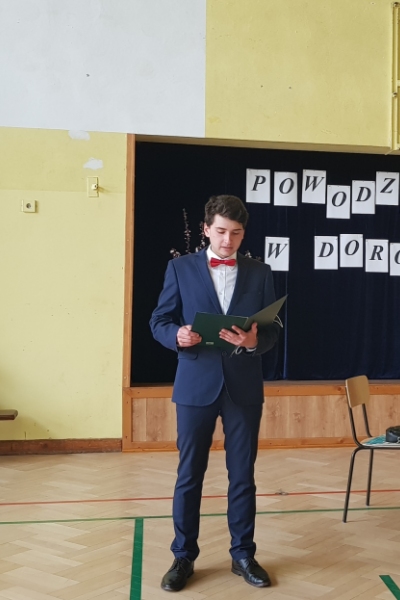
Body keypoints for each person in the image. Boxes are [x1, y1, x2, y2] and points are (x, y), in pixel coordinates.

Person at [150, 195, 279, 592]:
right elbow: (159, 320)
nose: (228, 241)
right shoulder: (180, 268)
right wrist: (177, 335)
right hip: (195, 384)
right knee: (189, 474)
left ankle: (243, 555)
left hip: (243, 387)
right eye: (221, 232)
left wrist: (255, 340)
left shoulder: (260, 272)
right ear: (206, 229)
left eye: (236, 233)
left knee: (243, 475)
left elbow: (273, 329)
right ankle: (183, 556)